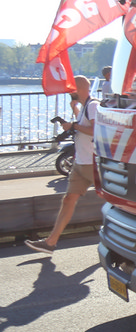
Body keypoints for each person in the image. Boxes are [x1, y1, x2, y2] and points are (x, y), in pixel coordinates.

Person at [26, 75, 98, 255]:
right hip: (80, 163)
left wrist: (74, 125)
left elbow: (96, 130)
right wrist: (74, 112)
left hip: (93, 163)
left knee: (115, 201)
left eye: (70, 89)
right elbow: (82, 124)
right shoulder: (84, 107)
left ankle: (123, 237)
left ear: (78, 89)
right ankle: (50, 243)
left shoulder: (93, 106)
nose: (68, 92)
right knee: (68, 200)